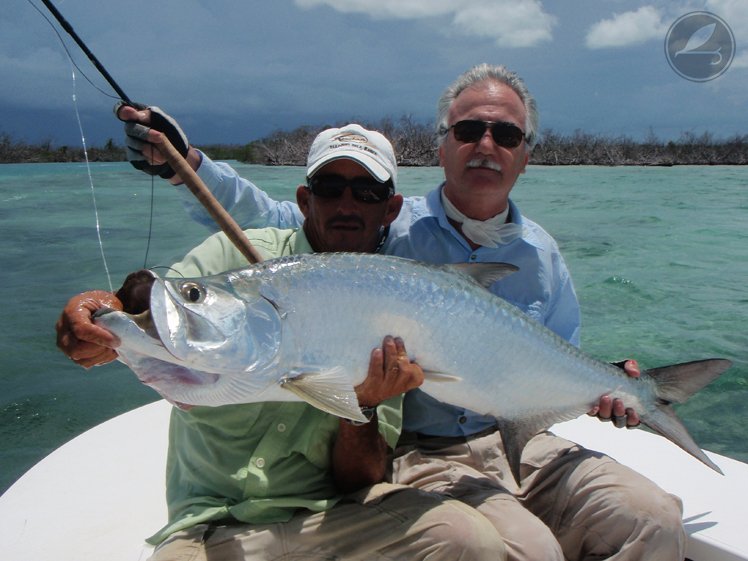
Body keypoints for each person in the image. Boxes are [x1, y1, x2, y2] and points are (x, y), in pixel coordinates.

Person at [112, 64, 687, 560]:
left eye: (506, 134)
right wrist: (185, 162)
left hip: (524, 436)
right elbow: (280, 235)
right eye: (468, 130)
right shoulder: (382, 229)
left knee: (653, 517)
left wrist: (610, 386)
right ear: (442, 146)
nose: (486, 145)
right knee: (527, 550)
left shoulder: (543, 255)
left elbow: (558, 363)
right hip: (426, 450)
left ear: (525, 155)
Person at [56, 125, 506, 561]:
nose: (347, 203)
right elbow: (157, 301)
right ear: (305, 200)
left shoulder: (393, 302)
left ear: (389, 209)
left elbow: (361, 478)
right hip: (213, 526)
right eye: (330, 187)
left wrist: (363, 404)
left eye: (367, 191)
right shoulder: (236, 257)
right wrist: (99, 313)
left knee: (470, 541)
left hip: (332, 520)